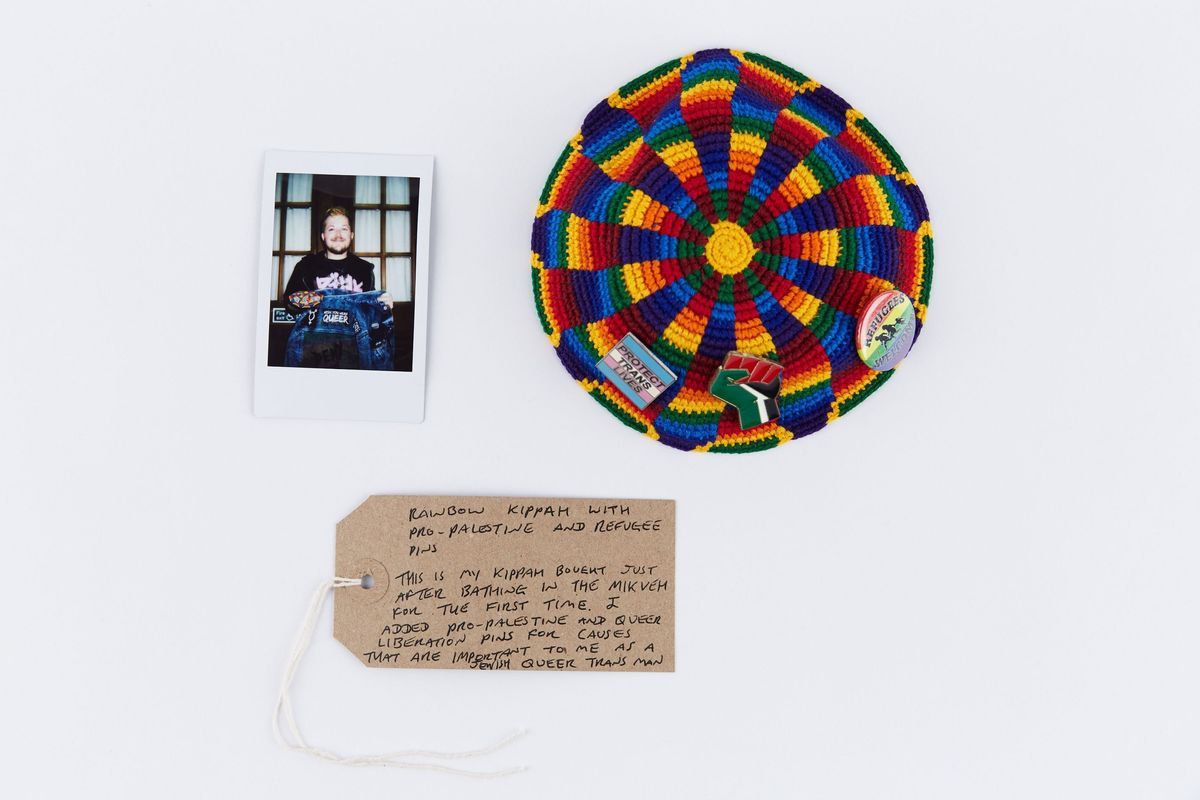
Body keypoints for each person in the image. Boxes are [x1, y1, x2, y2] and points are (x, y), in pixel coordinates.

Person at [282, 207, 376, 297]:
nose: (338, 235)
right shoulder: (305, 267)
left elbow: (371, 309)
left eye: (344, 229)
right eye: (331, 229)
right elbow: (290, 304)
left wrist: (382, 304)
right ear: (323, 236)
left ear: (351, 235)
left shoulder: (365, 270)